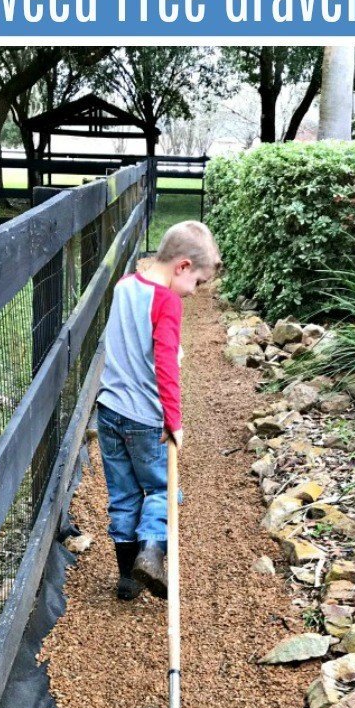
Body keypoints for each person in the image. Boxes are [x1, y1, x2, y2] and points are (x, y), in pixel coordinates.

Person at [96, 220, 221, 601]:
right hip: (145, 416)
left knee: (122, 494)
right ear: (182, 266)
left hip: (109, 410)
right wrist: (174, 421)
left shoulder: (124, 287)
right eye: (197, 282)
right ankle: (151, 551)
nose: (195, 292)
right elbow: (165, 364)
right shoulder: (166, 301)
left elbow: (128, 339)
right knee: (161, 488)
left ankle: (127, 579)